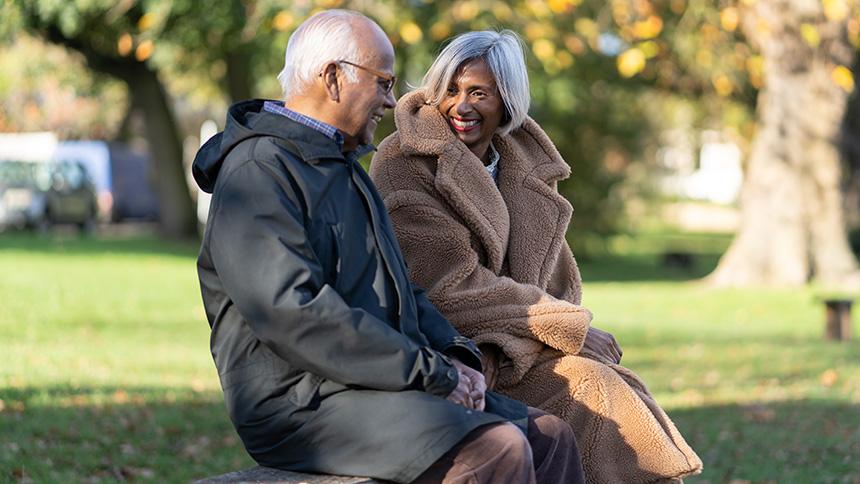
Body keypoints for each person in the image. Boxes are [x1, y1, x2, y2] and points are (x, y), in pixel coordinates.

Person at [193, 10, 584, 484]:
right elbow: (294, 316)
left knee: (549, 434)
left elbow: (403, 291)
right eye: (383, 82)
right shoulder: (258, 171)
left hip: (374, 385)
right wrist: (431, 375)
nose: (392, 99)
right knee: (496, 450)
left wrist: (456, 356)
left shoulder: (344, 171)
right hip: (299, 402)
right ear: (334, 77)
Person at [370, 30, 703, 483]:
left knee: (611, 392)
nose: (460, 106)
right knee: (595, 392)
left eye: (478, 93)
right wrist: (565, 327)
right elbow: (448, 286)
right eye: (449, 90)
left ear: (507, 99)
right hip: (458, 357)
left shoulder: (522, 163)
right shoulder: (406, 161)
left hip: (522, 348)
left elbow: (555, 273)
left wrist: (558, 330)